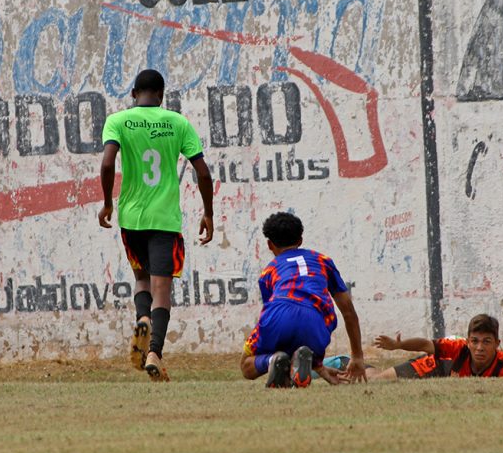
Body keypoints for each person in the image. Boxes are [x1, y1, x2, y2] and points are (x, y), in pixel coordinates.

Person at [98, 69, 213, 381]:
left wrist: (108, 202)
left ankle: (143, 317)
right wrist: (208, 213)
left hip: (131, 219)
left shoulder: (118, 121)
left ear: (134, 93)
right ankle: (154, 352)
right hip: (164, 220)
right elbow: (202, 172)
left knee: (142, 282)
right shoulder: (177, 122)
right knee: (162, 289)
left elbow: (107, 163)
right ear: (161, 95)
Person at [240, 212, 367, 387]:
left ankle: (272, 360)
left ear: (270, 245)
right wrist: (357, 356)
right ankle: (299, 363)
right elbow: (348, 312)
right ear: (300, 240)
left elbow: (275, 315)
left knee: (247, 363)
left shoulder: (268, 272)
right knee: (301, 341)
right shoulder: (323, 261)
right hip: (315, 318)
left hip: (279, 312)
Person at [368, 314, 503, 380]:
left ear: (497, 344)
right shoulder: (458, 348)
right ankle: (353, 365)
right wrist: (398, 345)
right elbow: (426, 345)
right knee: (379, 380)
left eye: (487, 342)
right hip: (439, 365)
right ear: (468, 341)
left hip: (450, 376)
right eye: (475, 341)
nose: (479, 347)